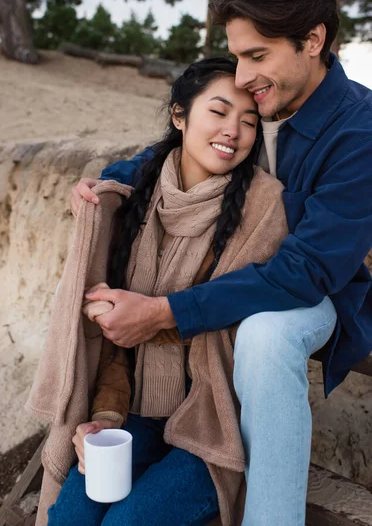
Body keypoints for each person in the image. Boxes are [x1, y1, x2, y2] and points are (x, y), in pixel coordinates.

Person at [71, 0, 372, 526]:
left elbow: (308, 272)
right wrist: (107, 182)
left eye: (257, 56)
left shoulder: (359, 131)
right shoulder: (257, 101)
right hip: (227, 282)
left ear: (313, 40)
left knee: (263, 336)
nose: (241, 78)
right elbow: (176, 151)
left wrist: (164, 312)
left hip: (317, 295)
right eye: (236, 56)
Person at [47, 57, 290, 526]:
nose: (233, 132)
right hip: (135, 411)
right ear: (180, 116)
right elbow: (117, 337)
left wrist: (150, 317)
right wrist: (106, 417)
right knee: (71, 517)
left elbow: (240, 326)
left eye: (248, 121)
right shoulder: (137, 198)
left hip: (214, 424)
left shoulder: (262, 207)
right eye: (218, 113)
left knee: (126, 522)